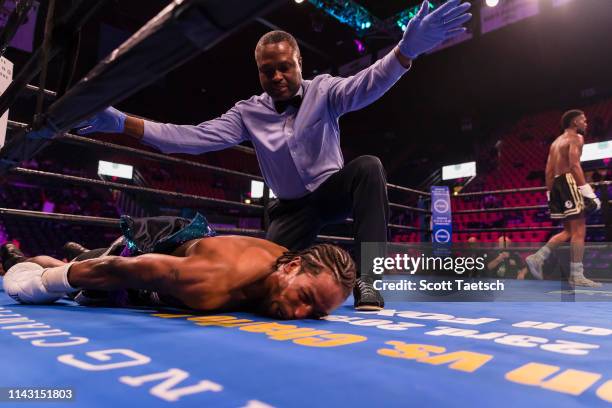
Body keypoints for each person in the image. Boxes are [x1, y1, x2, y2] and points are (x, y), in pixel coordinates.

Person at [73, 0, 472, 310]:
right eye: (268, 71)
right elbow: (189, 138)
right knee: (258, 281)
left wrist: (405, 52)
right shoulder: (248, 112)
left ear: (300, 64)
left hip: (331, 191)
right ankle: (101, 266)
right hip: (290, 209)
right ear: (259, 72)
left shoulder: (325, 91)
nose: (278, 77)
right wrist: (123, 122)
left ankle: (369, 281)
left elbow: (368, 84)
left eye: (285, 67)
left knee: (368, 167)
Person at [1, 215, 356, 320]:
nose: (300, 314)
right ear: (292, 266)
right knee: (76, 277)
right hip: (156, 252)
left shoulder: (293, 270)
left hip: (192, 252)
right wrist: (44, 283)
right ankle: (22, 259)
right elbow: (124, 270)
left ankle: (76, 254)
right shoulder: (214, 280)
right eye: (306, 297)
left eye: (315, 313)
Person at [525, 110, 602, 287]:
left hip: (557, 185)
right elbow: (574, 165)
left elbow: (548, 171)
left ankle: (538, 257)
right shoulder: (576, 138)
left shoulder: (555, 142)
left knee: (568, 231)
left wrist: (551, 193)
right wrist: (588, 192)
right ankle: (577, 275)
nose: (586, 123)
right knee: (579, 231)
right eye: (583, 120)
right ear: (575, 122)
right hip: (569, 181)